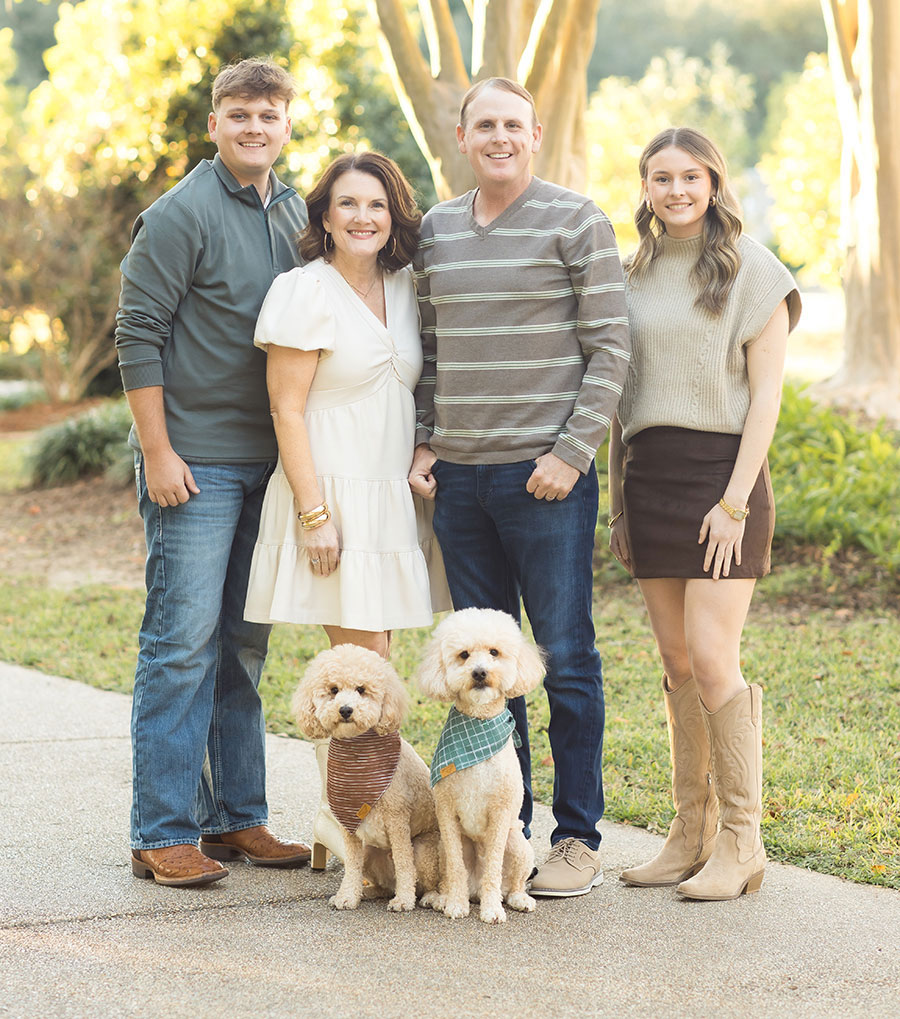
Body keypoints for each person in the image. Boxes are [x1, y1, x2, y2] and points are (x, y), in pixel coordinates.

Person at [408, 77, 631, 898]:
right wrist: (428, 440)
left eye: (513, 124)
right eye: (484, 125)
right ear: (462, 137)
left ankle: (577, 835)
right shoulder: (434, 229)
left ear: (535, 132)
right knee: (485, 672)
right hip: (460, 485)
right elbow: (428, 347)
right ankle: (515, 834)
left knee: (564, 655)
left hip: (547, 479)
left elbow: (611, 346)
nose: (500, 136)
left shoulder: (576, 219)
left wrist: (571, 454)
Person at [116, 57, 311, 887]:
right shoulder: (179, 213)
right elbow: (136, 336)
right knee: (181, 646)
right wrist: (159, 453)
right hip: (193, 466)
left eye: (269, 115)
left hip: (268, 466)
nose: (255, 127)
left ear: (288, 124)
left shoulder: (297, 208)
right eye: (240, 115)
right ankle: (161, 830)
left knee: (243, 646)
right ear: (215, 124)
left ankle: (236, 818)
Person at [243, 150, 450, 868]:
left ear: (393, 216)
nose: (363, 216)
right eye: (348, 204)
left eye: (376, 205)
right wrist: (313, 513)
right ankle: (364, 823)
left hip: (392, 495)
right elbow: (286, 408)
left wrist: (425, 451)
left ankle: (360, 822)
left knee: (374, 674)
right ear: (324, 218)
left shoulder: (405, 283)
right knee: (370, 673)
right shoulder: (304, 291)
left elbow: (416, 389)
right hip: (331, 494)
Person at [610, 126, 801, 902]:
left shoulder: (755, 270)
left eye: (691, 176)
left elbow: (768, 399)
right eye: (662, 178)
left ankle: (740, 841)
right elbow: (622, 400)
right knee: (676, 663)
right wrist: (620, 497)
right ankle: (688, 832)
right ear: (646, 188)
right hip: (650, 476)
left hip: (724, 479)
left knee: (715, 658)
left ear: (715, 183)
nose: (677, 190)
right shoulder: (633, 272)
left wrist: (733, 500)